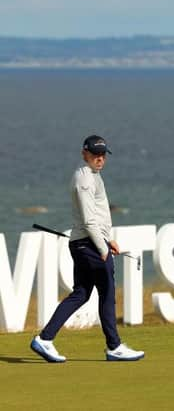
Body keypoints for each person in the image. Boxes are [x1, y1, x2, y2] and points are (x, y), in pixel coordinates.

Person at [30, 135, 144, 362]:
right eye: (95, 154)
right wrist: (102, 247)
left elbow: (97, 216)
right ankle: (114, 346)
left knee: (81, 294)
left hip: (89, 242)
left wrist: (107, 239)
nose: (99, 159)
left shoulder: (93, 175)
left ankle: (44, 339)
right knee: (107, 292)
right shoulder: (84, 179)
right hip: (89, 245)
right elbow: (89, 219)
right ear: (85, 154)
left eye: (102, 155)